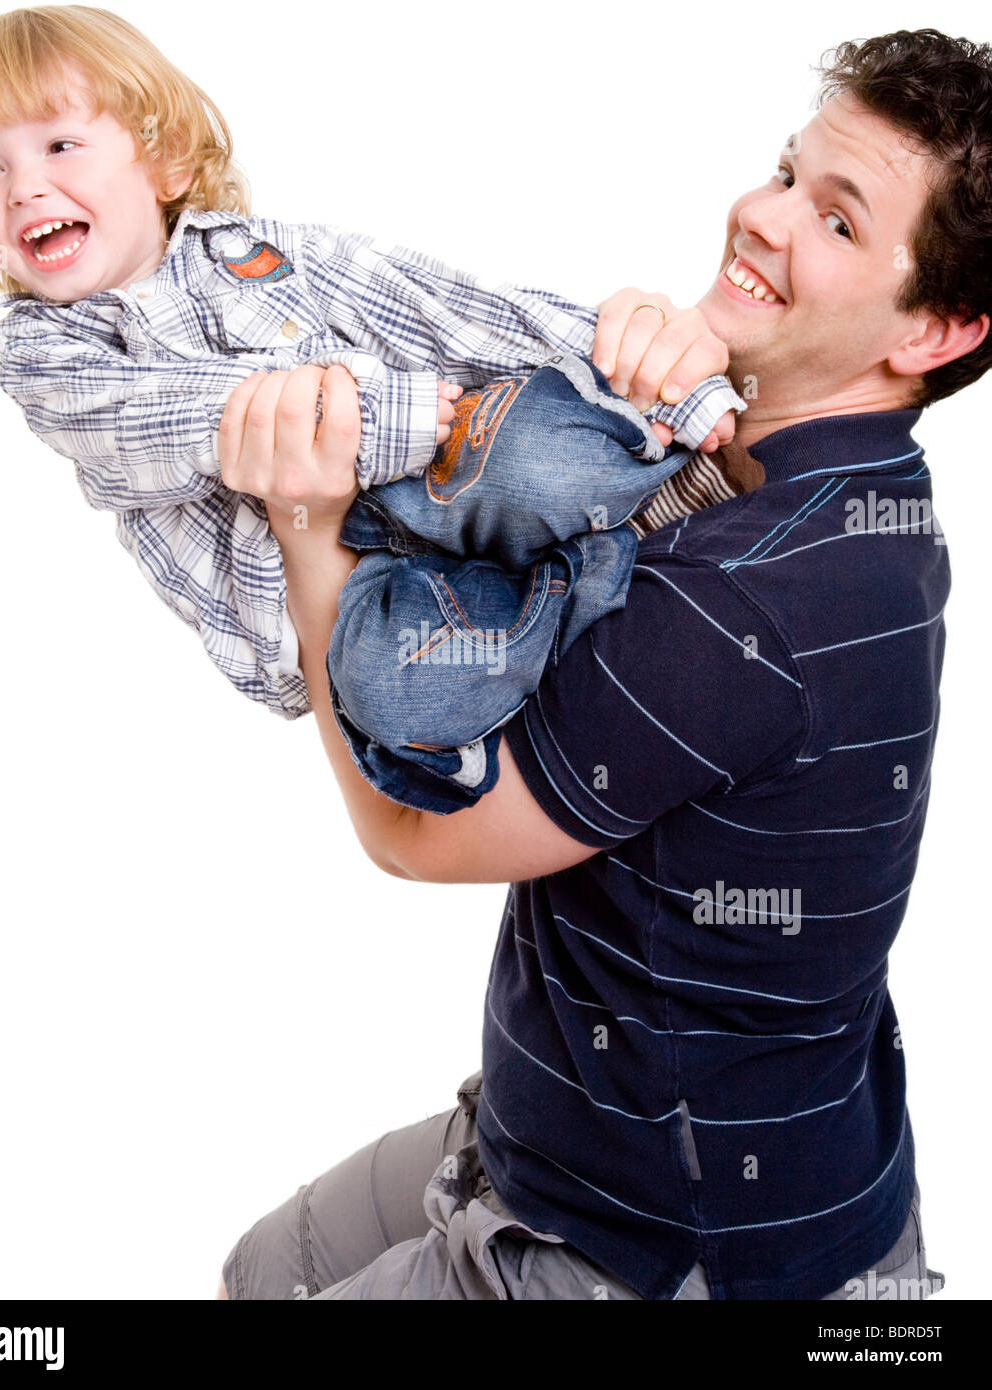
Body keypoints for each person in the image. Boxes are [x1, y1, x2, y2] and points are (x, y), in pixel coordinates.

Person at [215, 28, 990, 1298]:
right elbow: (576, 510)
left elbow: (420, 831)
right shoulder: (846, 482)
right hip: (634, 1116)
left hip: (649, 1242)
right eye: (786, 171)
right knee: (263, 1267)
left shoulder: (748, 599)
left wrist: (307, 531)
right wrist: (633, 363)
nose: (761, 214)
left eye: (836, 223)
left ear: (938, 330)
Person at [0, 6, 743, 803]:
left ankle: (666, 485)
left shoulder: (268, 257)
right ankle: (587, 579)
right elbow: (193, 414)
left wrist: (673, 368)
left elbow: (455, 309)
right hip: (349, 589)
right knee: (401, 691)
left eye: (60, 145)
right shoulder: (41, 352)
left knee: (535, 449)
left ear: (162, 163)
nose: (23, 188)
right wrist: (410, 416)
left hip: (445, 481)